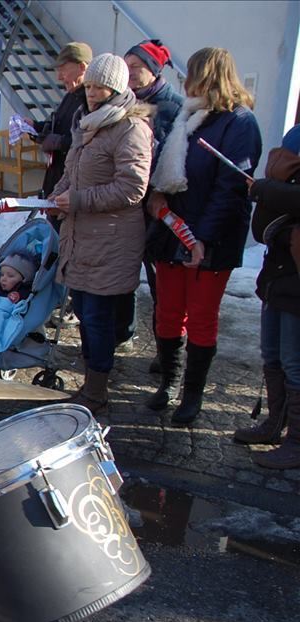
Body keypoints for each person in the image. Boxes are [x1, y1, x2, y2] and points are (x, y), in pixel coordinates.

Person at [145, 47, 262, 425]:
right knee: (166, 312)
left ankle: (191, 395)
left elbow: (230, 189)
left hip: (209, 240)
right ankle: (168, 382)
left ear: (207, 75)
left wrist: (202, 238)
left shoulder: (239, 123)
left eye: (190, 73)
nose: (184, 81)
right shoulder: (188, 115)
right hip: (173, 231)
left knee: (200, 317)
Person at [48, 53, 153, 414]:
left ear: (117, 88)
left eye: (100, 87)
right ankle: (91, 386)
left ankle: (97, 390)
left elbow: (132, 188)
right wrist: (54, 196)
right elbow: (71, 171)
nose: (92, 93)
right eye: (89, 85)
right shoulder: (87, 123)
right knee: (85, 313)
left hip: (112, 240)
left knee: (97, 317)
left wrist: (75, 199)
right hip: (81, 237)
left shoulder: (130, 128)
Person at [115, 39, 186, 357]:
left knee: (160, 282)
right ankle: (123, 332)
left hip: (158, 205)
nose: (129, 72)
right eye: (125, 66)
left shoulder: (174, 107)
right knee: (125, 271)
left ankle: (165, 348)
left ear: (154, 71)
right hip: (129, 204)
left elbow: (174, 159)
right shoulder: (124, 101)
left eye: (136, 67)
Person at [237, 125, 300, 470]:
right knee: (273, 354)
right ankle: (275, 424)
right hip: (277, 276)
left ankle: (297, 441)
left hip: (295, 284)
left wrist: (268, 191)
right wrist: (270, 192)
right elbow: (263, 227)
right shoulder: (292, 140)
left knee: (294, 363)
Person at [33, 42, 92, 204]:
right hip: (57, 180)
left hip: (74, 189)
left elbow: (90, 143)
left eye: (63, 69)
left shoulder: (91, 101)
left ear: (82, 67)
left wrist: (60, 142)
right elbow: (57, 124)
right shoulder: (70, 96)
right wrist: (35, 127)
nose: (59, 77)